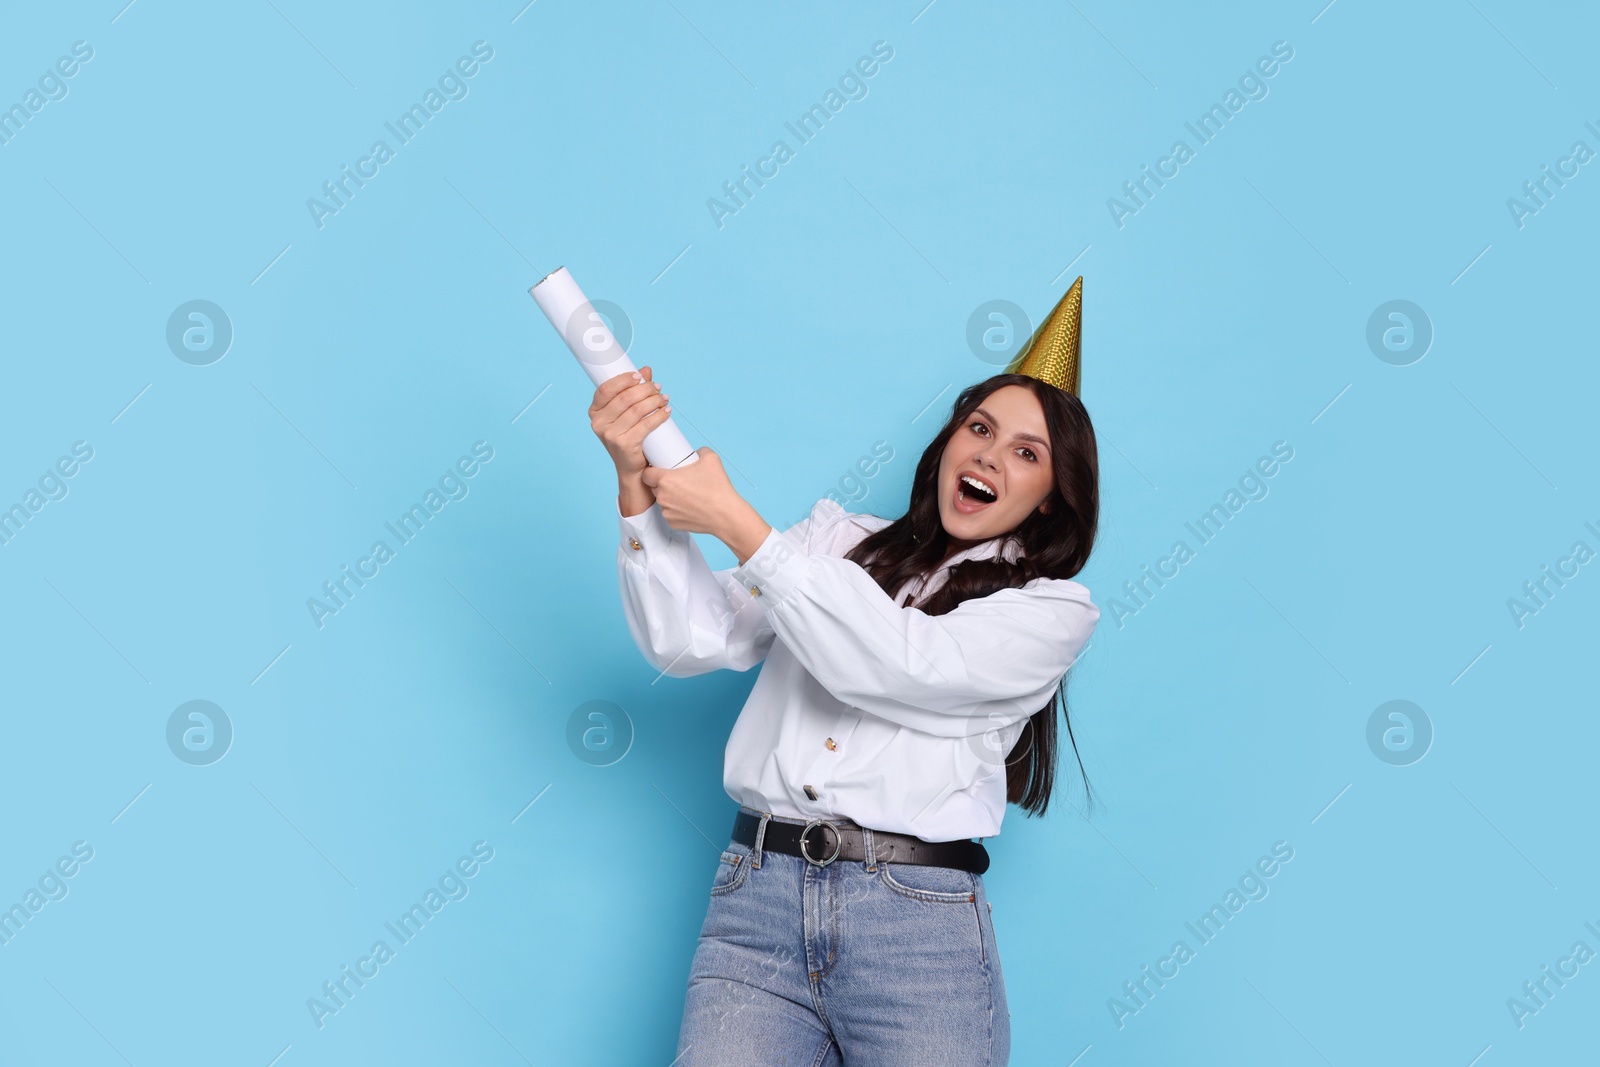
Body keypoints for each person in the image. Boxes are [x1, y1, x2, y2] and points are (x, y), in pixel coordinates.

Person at [590, 279, 1099, 1065]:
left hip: (916, 931)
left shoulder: (1050, 613)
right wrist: (635, 482)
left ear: (1048, 498)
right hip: (754, 905)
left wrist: (738, 524)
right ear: (950, 440)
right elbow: (689, 639)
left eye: (1025, 453)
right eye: (979, 427)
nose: (989, 456)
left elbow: (895, 665)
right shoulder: (835, 540)